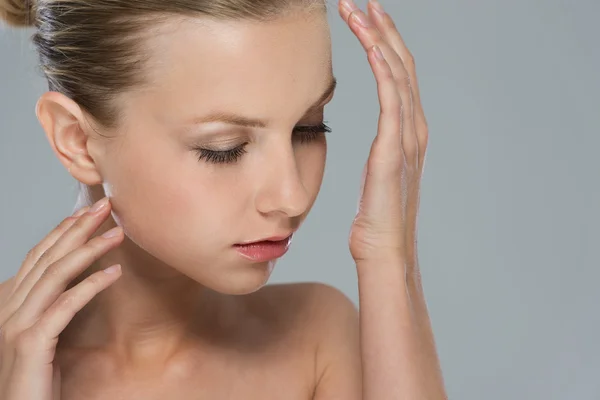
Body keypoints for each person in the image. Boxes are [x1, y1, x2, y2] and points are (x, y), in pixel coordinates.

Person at [0, 0, 447, 398]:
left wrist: (389, 254)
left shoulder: (317, 342)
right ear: (76, 140)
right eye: (224, 148)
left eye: (309, 127)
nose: (291, 197)